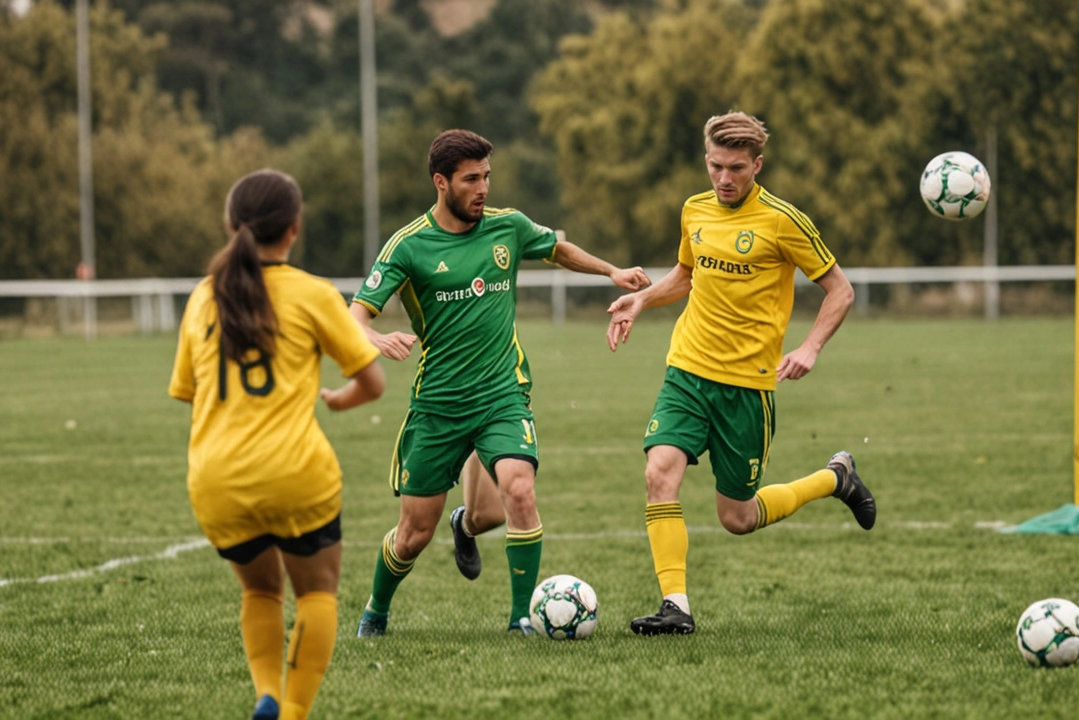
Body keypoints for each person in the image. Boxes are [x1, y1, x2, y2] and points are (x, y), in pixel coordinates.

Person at [352, 129, 650, 637]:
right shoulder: (408, 245)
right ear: (440, 182)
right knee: (413, 534)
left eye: (487, 176)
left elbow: (557, 249)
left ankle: (520, 620)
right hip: (439, 405)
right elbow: (355, 314)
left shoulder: (506, 226)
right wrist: (374, 338)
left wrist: (611, 271)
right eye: (471, 179)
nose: (483, 187)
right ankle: (375, 611)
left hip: (501, 394)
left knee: (520, 491)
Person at [605, 112, 877, 636]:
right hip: (686, 370)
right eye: (714, 166)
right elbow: (686, 276)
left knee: (738, 517)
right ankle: (675, 606)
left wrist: (811, 347)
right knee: (659, 472)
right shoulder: (694, 209)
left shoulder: (783, 221)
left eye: (735, 168)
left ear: (757, 164)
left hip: (747, 388)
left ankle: (836, 478)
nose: (723, 179)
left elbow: (840, 290)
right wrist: (641, 299)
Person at [169, 169, 385, 719]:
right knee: (317, 592)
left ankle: (266, 692)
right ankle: (290, 713)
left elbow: (190, 394)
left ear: (229, 226)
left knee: (260, 591)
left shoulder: (202, 298)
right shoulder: (312, 293)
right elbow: (372, 382)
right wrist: (336, 400)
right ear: (295, 228)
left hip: (216, 479)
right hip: (295, 473)